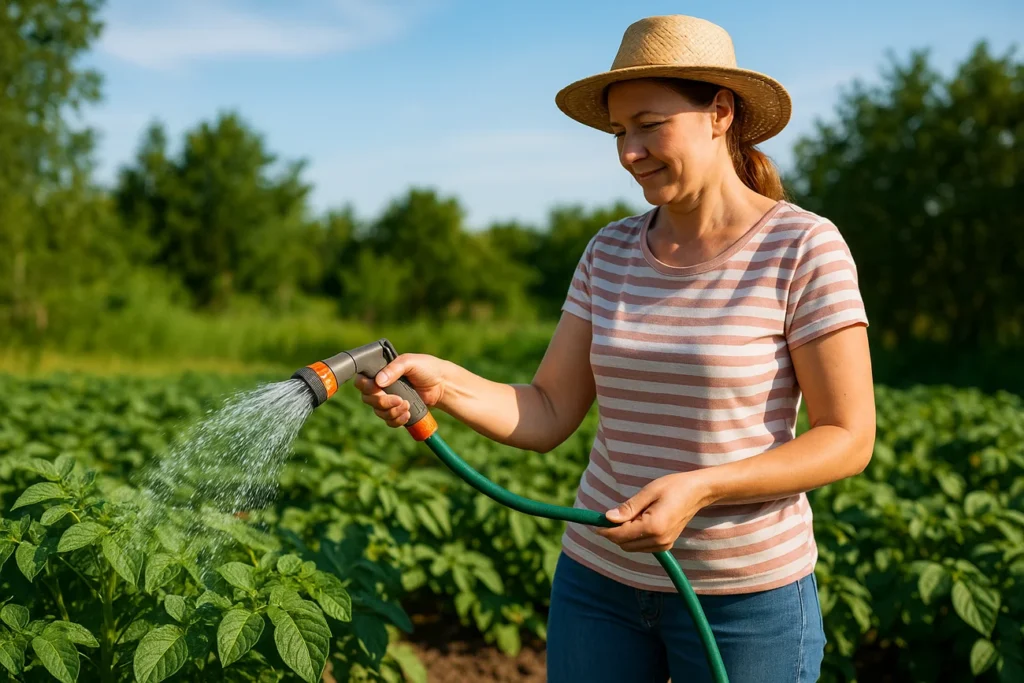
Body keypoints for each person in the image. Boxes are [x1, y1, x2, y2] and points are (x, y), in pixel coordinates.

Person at [354, 14, 875, 683]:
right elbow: (546, 410)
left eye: (649, 124)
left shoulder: (802, 247)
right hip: (598, 585)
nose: (630, 150)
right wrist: (442, 381)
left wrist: (704, 487)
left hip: (742, 600)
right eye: (620, 131)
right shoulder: (611, 250)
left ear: (719, 112)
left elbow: (847, 436)